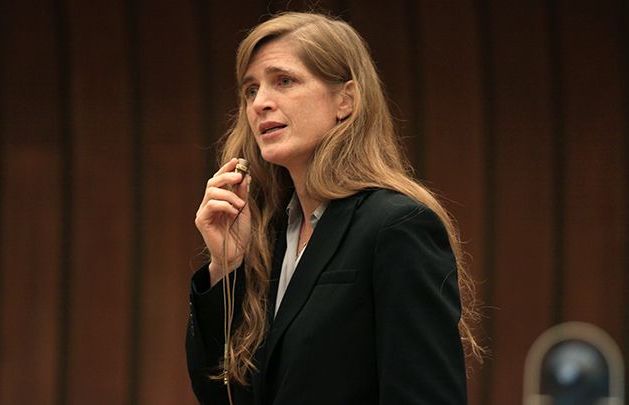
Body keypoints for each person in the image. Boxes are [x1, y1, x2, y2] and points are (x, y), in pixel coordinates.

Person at [187, 11, 482, 405]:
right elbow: (223, 396)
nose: (260, 104)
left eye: (284, 81)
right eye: (251, 90)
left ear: (345, 100)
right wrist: (226, 266)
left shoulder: (396, 225)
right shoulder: (269, 234)